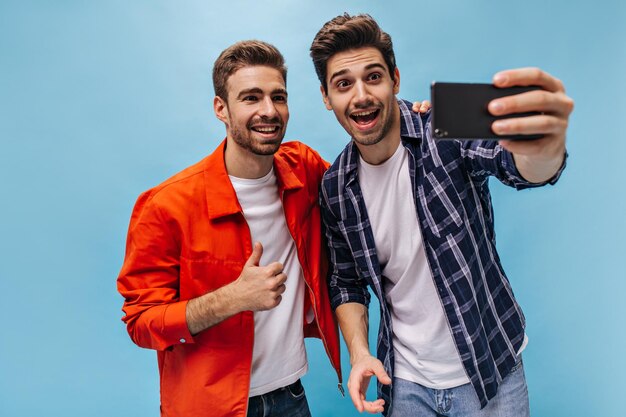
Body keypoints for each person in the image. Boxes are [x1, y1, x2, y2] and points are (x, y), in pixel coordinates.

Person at [117, 39, 428, 417]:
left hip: (291, 397)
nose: (269, 111)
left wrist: (413, 117)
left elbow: (363, 186)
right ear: (221, 108)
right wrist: (232, 298)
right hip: (208, 407)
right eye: (251, 98)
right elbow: (141, 322)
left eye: (278, 97)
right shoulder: (167, 205)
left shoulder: (304, 169)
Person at [310, 13, 574, 417]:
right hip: (405, 385)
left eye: (374, 77)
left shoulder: (443, 128)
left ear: (395, 79)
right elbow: (346, 282)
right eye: (343, 84)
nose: (361, 95)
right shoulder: (336, 187)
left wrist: (545, 147)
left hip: (489, 369)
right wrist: (360, 354)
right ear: (327, 98)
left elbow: (516, 165)